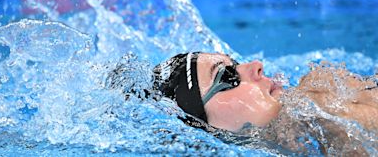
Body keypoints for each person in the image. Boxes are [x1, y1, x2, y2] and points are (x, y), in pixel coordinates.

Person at [152, 52, 378, 155]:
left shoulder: (324, 92)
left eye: (237, 63)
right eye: (227, 77)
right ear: (204, 127)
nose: (256, 65)